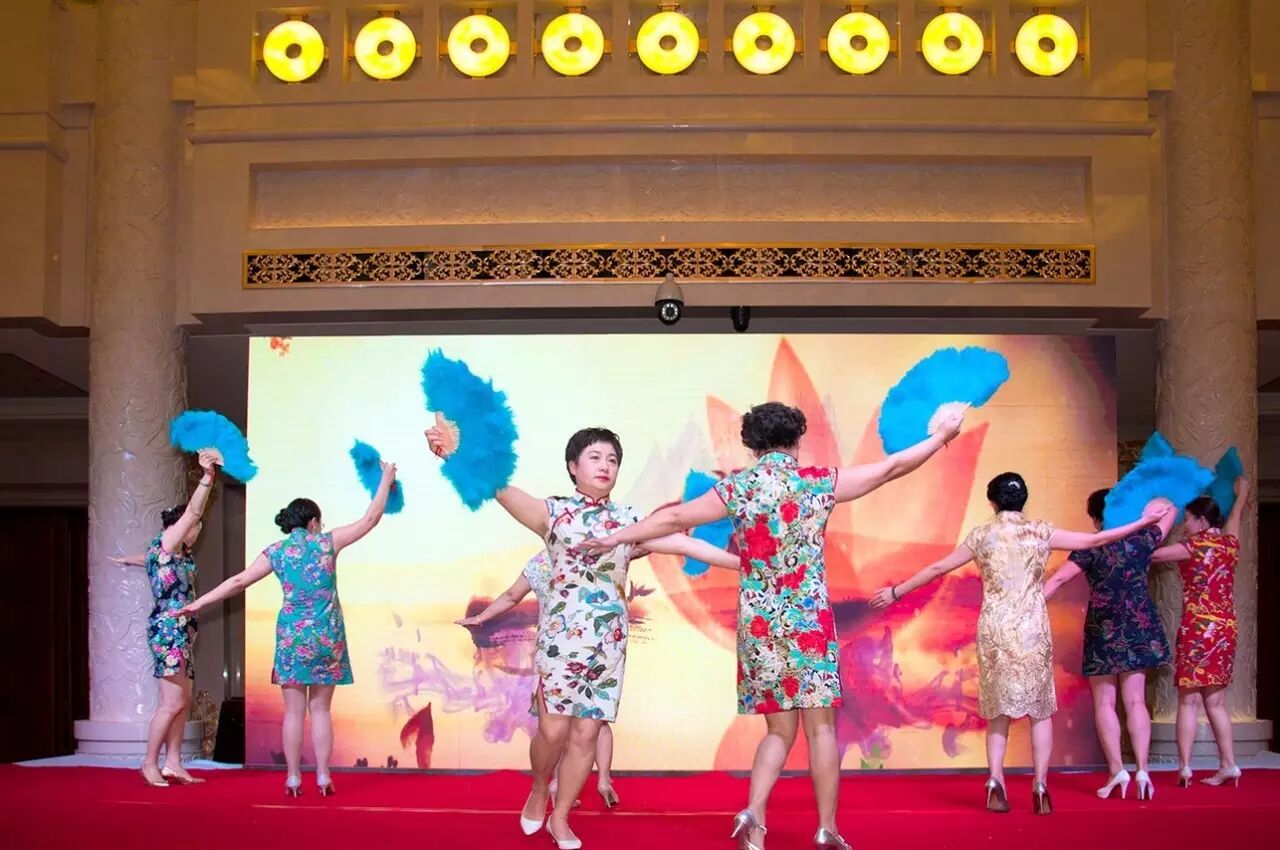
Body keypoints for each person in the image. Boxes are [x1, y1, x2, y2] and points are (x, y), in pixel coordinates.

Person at [582, 402, 966, 850]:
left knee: (778, 732)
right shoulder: (816, 482)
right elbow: (890, 468)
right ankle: (826, 828)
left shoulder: (738, 488)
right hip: (808, 623)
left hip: (761, 625)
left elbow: (673, 519)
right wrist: (942, 437)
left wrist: (614, 538)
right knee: (821, 730)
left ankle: (754, 816)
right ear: (796, 440)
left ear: (751, 444)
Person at [427, 425, 734, 850]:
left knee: (586, 735)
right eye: (595, 457)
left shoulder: (629, 521)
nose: (605, 466)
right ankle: (540, 787)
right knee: (552, 733)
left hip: (608, 645)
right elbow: (498, 488)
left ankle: (561, 817)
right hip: (560, 643)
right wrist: (454, 456)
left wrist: (746, 564)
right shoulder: (553, 514)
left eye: (612, 459)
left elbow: (685, 544)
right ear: (573, 466)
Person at [870, 473, 1170, 815]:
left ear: (992, 502)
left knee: (997, 711)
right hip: (1031, 628)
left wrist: (896, 592)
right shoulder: (1041, 531)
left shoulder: (982, 535)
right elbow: (1094, 540)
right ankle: (1040, 785)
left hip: (995, 629)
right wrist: (1143, 522)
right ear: (1024, 500)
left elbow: (939, 568)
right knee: (1039, 712)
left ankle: (995, 779)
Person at [457, 544, 737, 810]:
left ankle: (557, 785)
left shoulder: (545, 560)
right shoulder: (596, 552)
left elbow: (511, 596)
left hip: (558, 652)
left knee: (558, 725)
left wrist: (481, 618)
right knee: (593, 721)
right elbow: (644, 545)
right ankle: (602, 780)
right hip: (596, 649)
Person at [179, 461, 398, 797]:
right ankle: (323, 776)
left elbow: (238, 582)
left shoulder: (278, 552)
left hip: (292, 639)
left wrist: (199, 603)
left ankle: (293, 778)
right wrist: (386, 479)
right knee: (321, 710)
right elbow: (370, 518)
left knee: (293, 712)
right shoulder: (326, 543)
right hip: (326, 637)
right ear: (313, 522)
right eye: (320, 522)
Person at [1042, 492, 1176, 801]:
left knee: (1105, 703)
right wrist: (1148, 512)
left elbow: (1058, 580)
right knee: (1136, 701)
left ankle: (1117, 770)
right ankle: (1143, 770)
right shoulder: (1143, 540)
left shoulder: (1091, 546)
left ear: (1094, 517)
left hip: (1104, 627)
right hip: (1139, 625)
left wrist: (1025, 606)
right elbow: (1169, 509)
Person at [115, 450, 218, 787]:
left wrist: (126, 560)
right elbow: (193, 511)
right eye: (194, 527)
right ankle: (149, 762)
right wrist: (207, 477)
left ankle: (173, 763)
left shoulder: (175, 553)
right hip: (168, 629)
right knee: (172, 702)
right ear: (179, 527)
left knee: (182, 701)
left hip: (183, 632)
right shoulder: (169, 542)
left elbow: (145, 558)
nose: (196, 531)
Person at [1151, 477, 1248, 788]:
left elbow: (1150, 555)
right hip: (1225, 630)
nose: (1185, 525)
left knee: (1188, 702)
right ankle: (1229, 764)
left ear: (1202, 521)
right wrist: (1242, 494)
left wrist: (1151, 523)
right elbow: (1235, 518)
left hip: (1198, 628)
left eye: (1188, 519)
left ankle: (1184, 767)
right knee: (1216, 704)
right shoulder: (1230, 544)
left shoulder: (1190, 547)